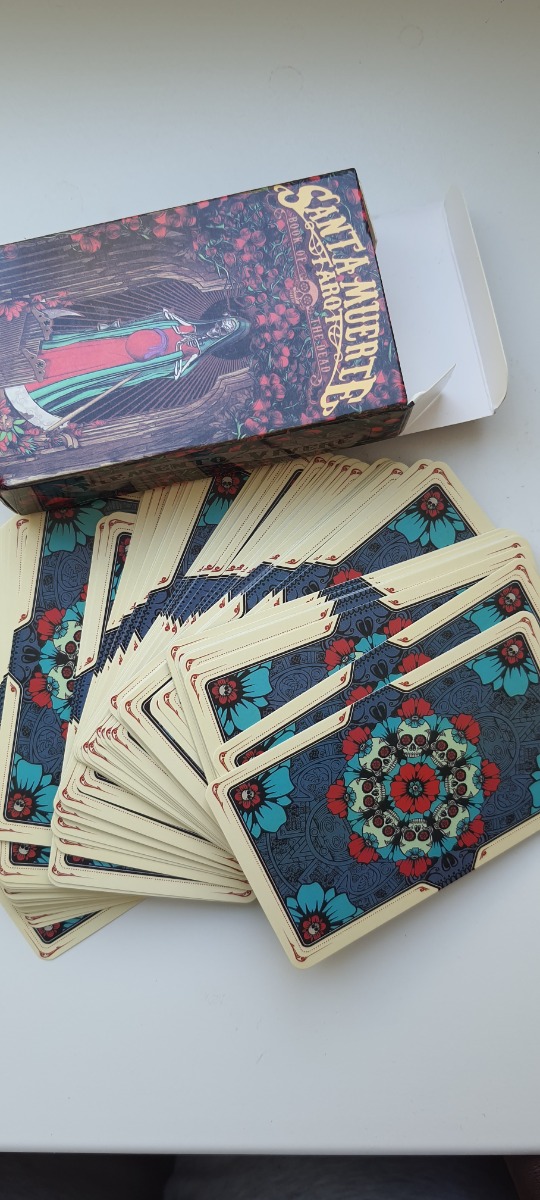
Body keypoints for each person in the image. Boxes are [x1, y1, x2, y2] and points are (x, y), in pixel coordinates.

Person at [3, 310, 248, 431]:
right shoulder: (181, 325)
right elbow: (147, 327)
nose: (219, 329)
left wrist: (178, 353)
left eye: (225, 330)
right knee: (76, 354)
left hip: (121, 365)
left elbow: (172, 368)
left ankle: (41, 392)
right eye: (222, 324)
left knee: (84, 374)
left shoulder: (193, 352)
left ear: (226, 336)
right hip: (113, 345)